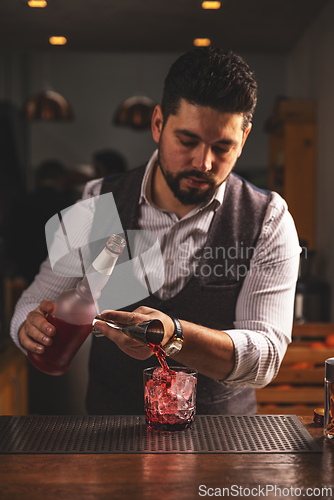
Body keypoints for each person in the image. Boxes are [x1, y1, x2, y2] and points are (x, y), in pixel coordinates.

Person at [10, 47, 300, 415]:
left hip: (220, 443)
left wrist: (175, 335)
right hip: (109, 435)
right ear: (158, 124)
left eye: (222, 147)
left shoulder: (267, 219)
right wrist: (29, 329)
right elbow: (31, 305)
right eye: (188, 141)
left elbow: (266, 357)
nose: (203, 162)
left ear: (243, 141)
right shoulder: (101, 201)